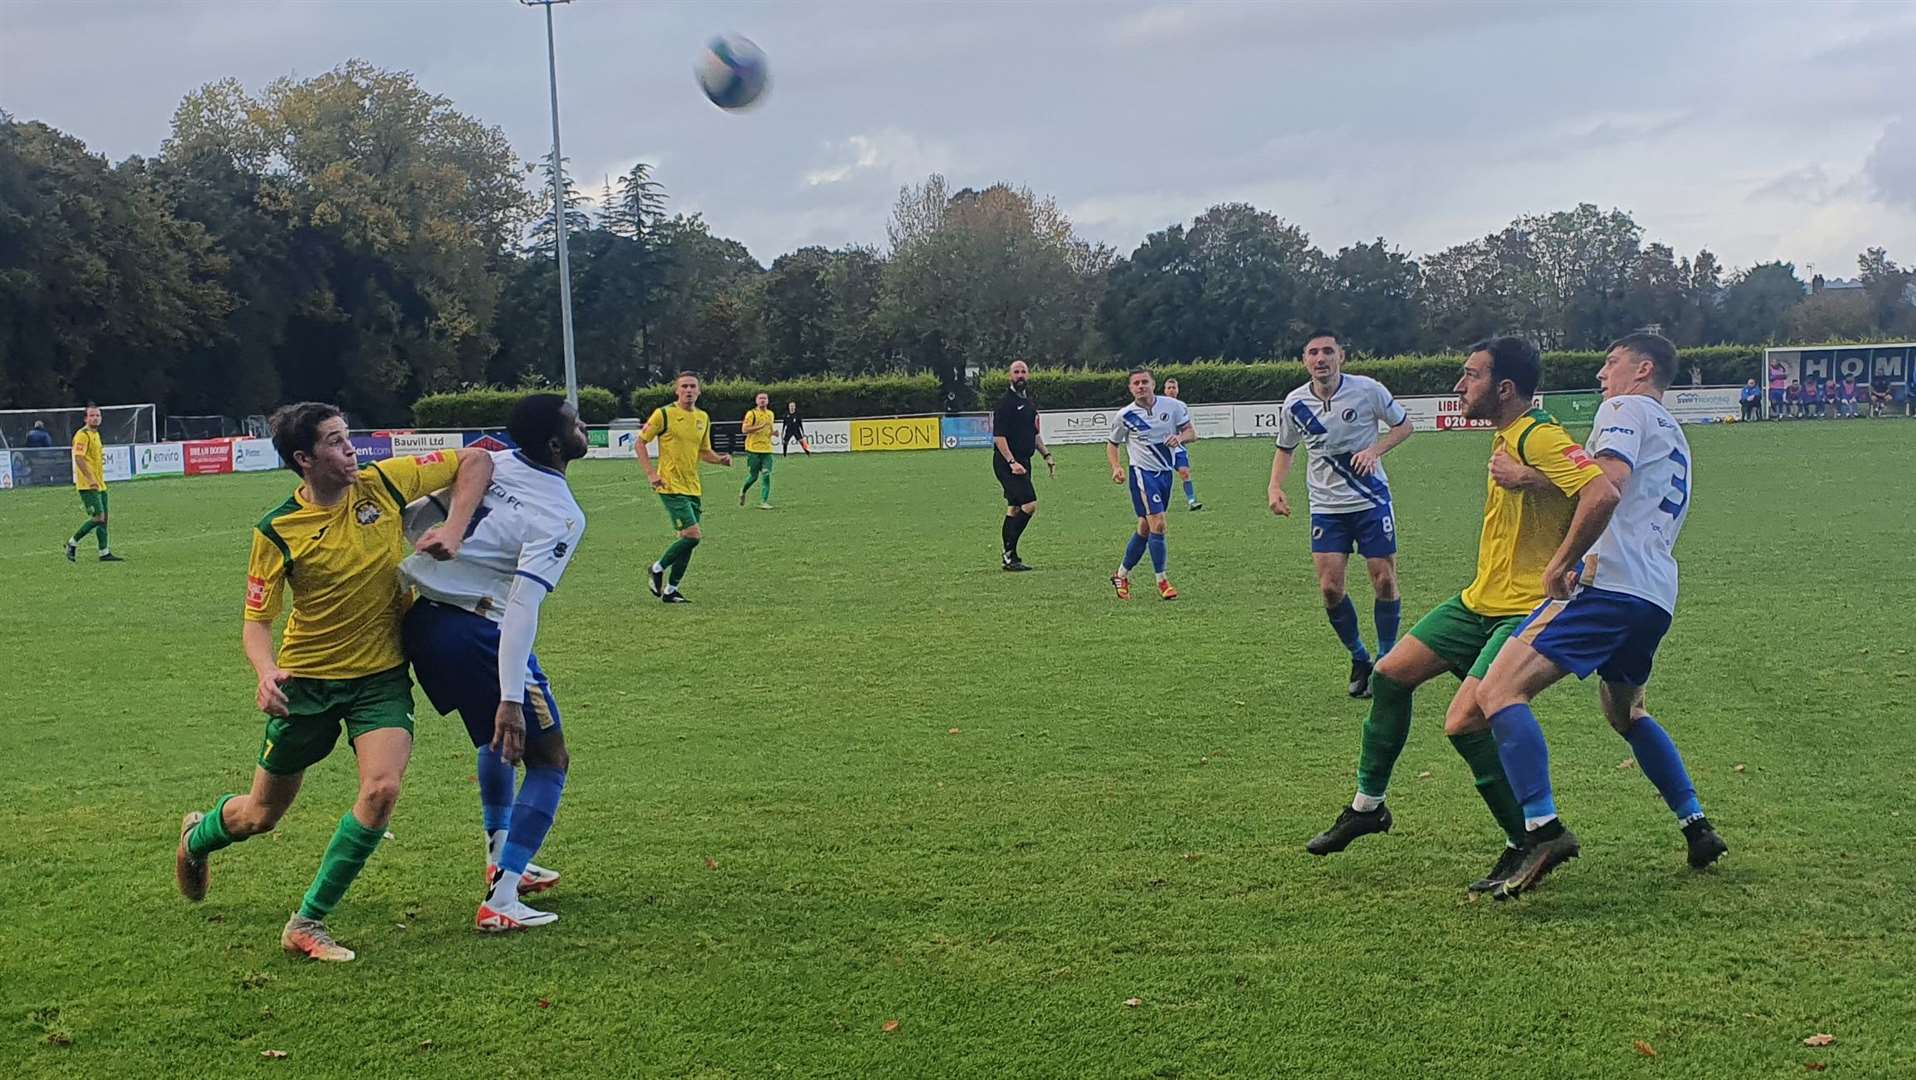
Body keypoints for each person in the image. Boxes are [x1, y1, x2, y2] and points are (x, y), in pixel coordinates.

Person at [173, 402, 492, 961]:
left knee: (381, 790)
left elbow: (475, 461)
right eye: (337, 442)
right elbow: (256, 620)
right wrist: (267, 671)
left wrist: (454, 528)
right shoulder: (276, 530)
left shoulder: (383, 484)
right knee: (259, 815)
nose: (352, 450)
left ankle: (308, 922)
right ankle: (198, 837)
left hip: (381, 678)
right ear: (305, 458)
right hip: (308, 684)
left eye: (350, 438)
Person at [1305, 336, 1618, 895]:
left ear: (1503, 388)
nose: (1459, 385)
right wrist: (1534, 483)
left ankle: (1531, 838)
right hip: (1479, 599)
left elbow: (1602, 492)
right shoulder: (1510, 435)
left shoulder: (1541, 435)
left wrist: (1561, 561)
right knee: (1389, 676)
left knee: (1462, 722)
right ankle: (1367, 806)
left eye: (1470, 376)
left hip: (1522, 609)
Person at [1475, 332, 1727, 899]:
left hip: (1607, 585)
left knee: (1498, 694)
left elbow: (1606, 487)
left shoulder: (1623, 408)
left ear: (1641, 370)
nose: (1601, 376)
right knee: (1628, 714)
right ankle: (1697, 826)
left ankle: (1543, 828)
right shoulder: (1675, 433)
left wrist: (1561, 558)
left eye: (1609, 363)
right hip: (1655, 594)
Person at [401, 394, 589, 932]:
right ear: (557, 444)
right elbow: (524, 607)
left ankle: (504, 857)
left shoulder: (489, 462)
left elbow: (420, 512)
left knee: (494, 742)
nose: (584, 428)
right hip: (479, 629)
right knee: (549, 758)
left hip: (425, 623)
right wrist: (511, 696)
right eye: (576, 424)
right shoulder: (562, 514)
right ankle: (501, 897)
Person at [1267, 330, 1414, 698]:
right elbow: (1285, 448)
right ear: (1305, 361)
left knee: (1383, 581)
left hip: (1370, 500)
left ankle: (1385, 660)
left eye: (1328, 352)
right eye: (1313, 353)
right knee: (1331, 589)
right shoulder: (1295, 403)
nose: (1321, 358)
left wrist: (1375, 451)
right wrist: (1274, 487)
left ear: (1341, 357)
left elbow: (1404, 425)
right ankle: (1359, 657)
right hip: (1326, 506)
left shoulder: (1367, 390)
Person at [638, 372, 731, 603]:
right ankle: (657, 568)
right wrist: (651, 474)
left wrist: (719, 459)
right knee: (693, 535)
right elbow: (640, 442)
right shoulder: (664, 414)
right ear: (676, 390)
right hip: (670, 485)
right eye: (684, 386)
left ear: (699, 391)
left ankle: (671, 590)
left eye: (693, 387)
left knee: (686, 540)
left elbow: (703, 451)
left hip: (693, 487)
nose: (689, 390)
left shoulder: (703, 418)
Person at [1106, 368, 1194, 601]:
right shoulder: (1125, 415)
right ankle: (1162, 581)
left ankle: (1121, 574)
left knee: (1145, 528)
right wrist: (1116, 467)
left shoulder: (1173, 406)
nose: (1141, 386)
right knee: (1159, 524)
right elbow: (1112, 444)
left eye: (1145, 382)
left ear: (1154, 384)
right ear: (1130, 388)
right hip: (1142, 475)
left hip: (1165, 474)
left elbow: (1191, 432)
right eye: (1136, 383)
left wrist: (1180, 438)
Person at [992, 359, 1055, 571]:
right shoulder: (1005, 403)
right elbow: (999, 438)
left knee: (1014, 508)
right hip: (1007, 462)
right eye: (1016, 372)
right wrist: (1011, 462)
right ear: (1010, 376)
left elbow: (1034, 433)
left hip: (1024, 461)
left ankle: (1011, 556)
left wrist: (1046, 455)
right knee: (1030, 504)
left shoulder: (1029, 402)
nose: (1020, 375)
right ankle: (1008, 554)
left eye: (1023, 372)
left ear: (1028, 375)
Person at [65, 403, 122, 563]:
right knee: (98, 517)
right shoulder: (82, 435)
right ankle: (72, 542)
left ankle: (104, 552)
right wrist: (90, 480)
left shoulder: (96, 435)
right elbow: (79, 457)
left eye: (97, 415)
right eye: (92, 415)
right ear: (85, 418)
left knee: (105, 518)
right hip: (88, 485)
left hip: (100, 484)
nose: (95, 418)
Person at [1160, 378, 1202, 511]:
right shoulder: (1158, 405)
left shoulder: (1182, 406)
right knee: (1161, 477)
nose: (1171, 390)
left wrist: (1181, 438)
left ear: (1177, 390)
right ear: (1165, 391)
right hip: (1160, 448)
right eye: (1169, 388)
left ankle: (1192, 501)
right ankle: (1157, 502)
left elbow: (1186, 427)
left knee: (1184, 472)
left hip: (1177, 447)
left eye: (1174, 387)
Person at [738, 392, 778, 509]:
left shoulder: (770, 414)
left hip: (767, 450)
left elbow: (769, 430)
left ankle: (763, 501)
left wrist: (773, 433)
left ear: (768, 401)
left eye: (765, 398)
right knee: (753, 477)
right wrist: (760, 426)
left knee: (766, 474)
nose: (762, 400)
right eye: (760, 398)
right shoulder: (752, 414)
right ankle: (743, 490)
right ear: (756, 401)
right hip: (753, 450)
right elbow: (744, 429)